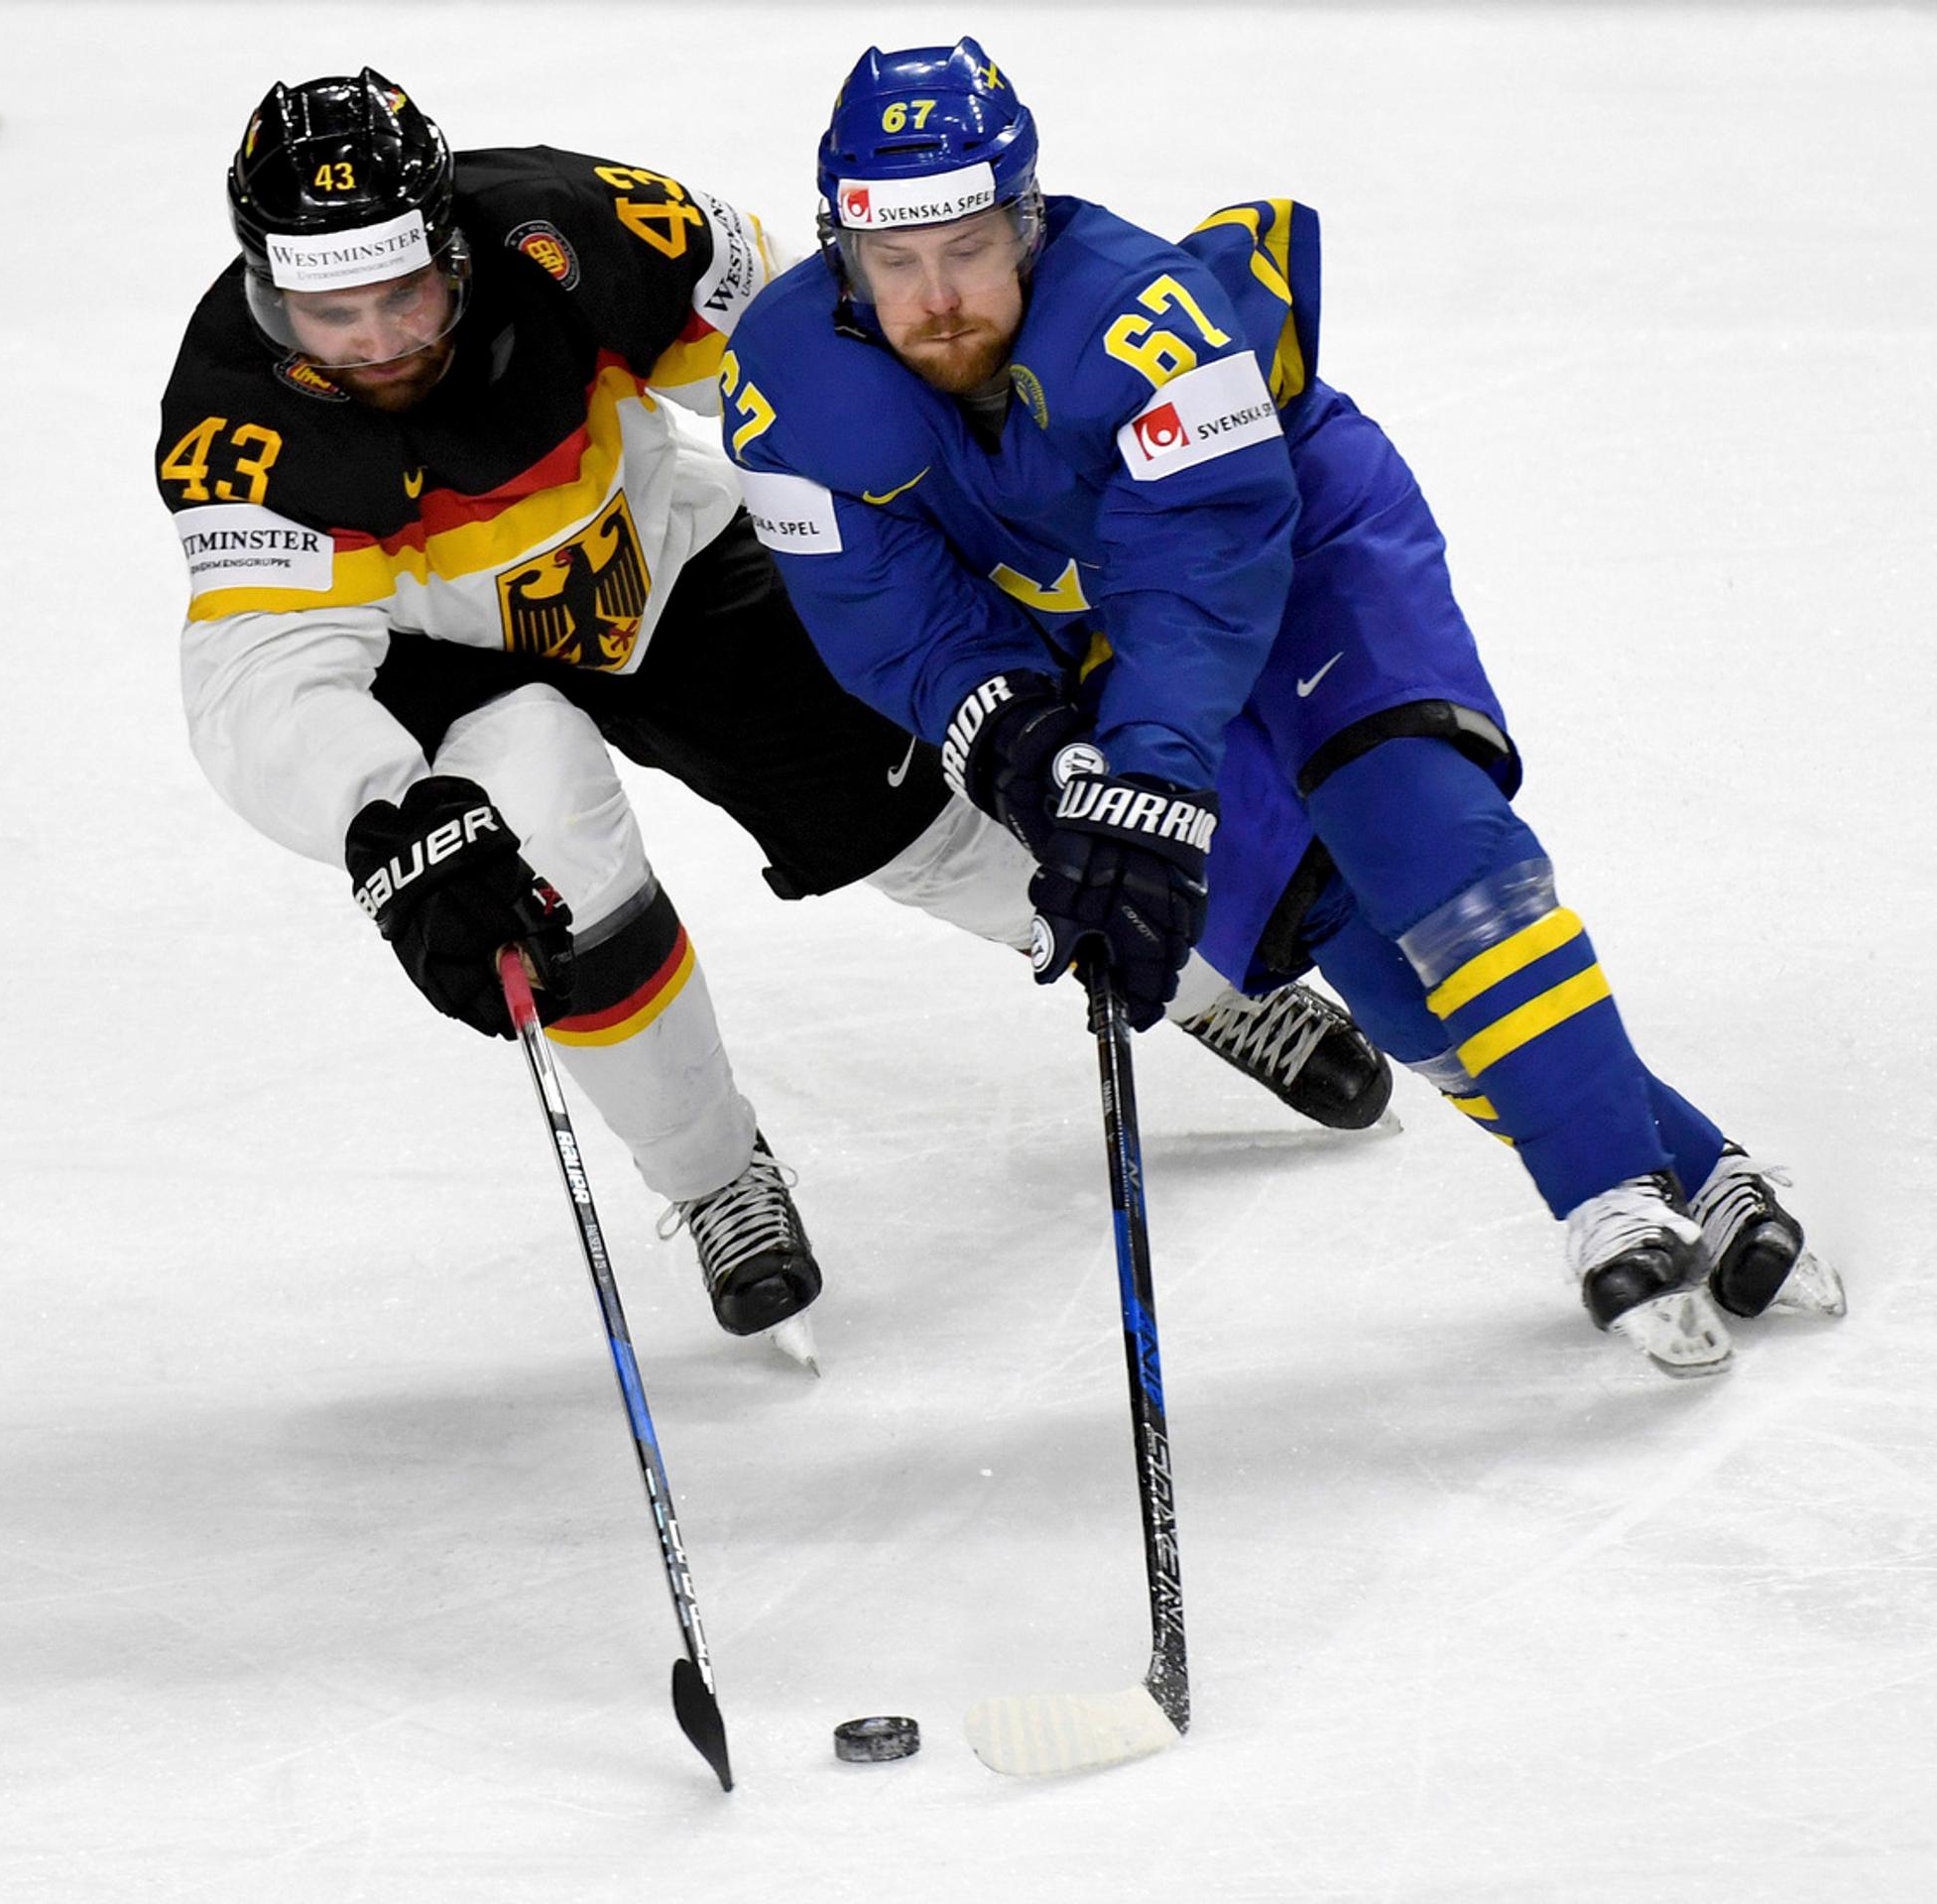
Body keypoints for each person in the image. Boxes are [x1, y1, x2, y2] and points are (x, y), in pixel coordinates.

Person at [154, 69, 1392, 1346]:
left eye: (404, 296)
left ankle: (1206, 982)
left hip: (670, 565)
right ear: (266, 287)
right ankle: (710, 1179)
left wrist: (947, 504)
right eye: (330, 312)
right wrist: (387, 820)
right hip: (448, 672)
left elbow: (811, 351)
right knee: (551, 868)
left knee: (920, 817)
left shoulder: (583, 226)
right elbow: (260, 669)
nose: (378, 341)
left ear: (453, 250)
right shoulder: (230, 425)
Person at [720, 40, 1846, 1376]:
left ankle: (1609, 1195)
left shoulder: (1139, 313)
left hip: (1300, 545)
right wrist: (1027, 754)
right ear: (842, 251)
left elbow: (1200, 568)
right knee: (1358, 948)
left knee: (1422, 837)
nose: (937, 297)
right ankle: (1701, 1172)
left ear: (1024, 222)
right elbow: (890, 620)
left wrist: (1146, 770)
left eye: (965, 248)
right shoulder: (781, 383)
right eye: (894, 261)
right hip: (1100, 636)